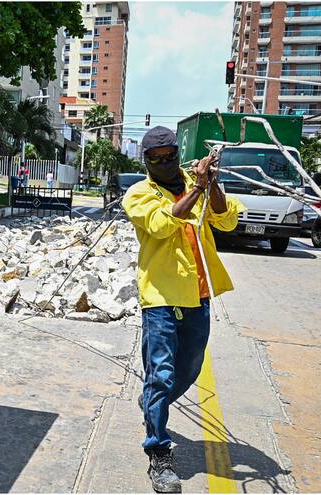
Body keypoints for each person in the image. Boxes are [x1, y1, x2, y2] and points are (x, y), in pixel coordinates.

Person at [121, 126, 245, 493]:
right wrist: (196, 189)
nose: (163, 163)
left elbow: (227, 219)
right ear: (145, 161)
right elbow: (161, 225)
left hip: (198, 293)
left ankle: (151, 401)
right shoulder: (139, 193)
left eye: (169, 156)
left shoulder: (199, 183)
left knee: (188, 368)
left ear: (177, 153)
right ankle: (158, 452)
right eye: (154, 159)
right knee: (160, 373)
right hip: (160, 296)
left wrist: (212, 185)